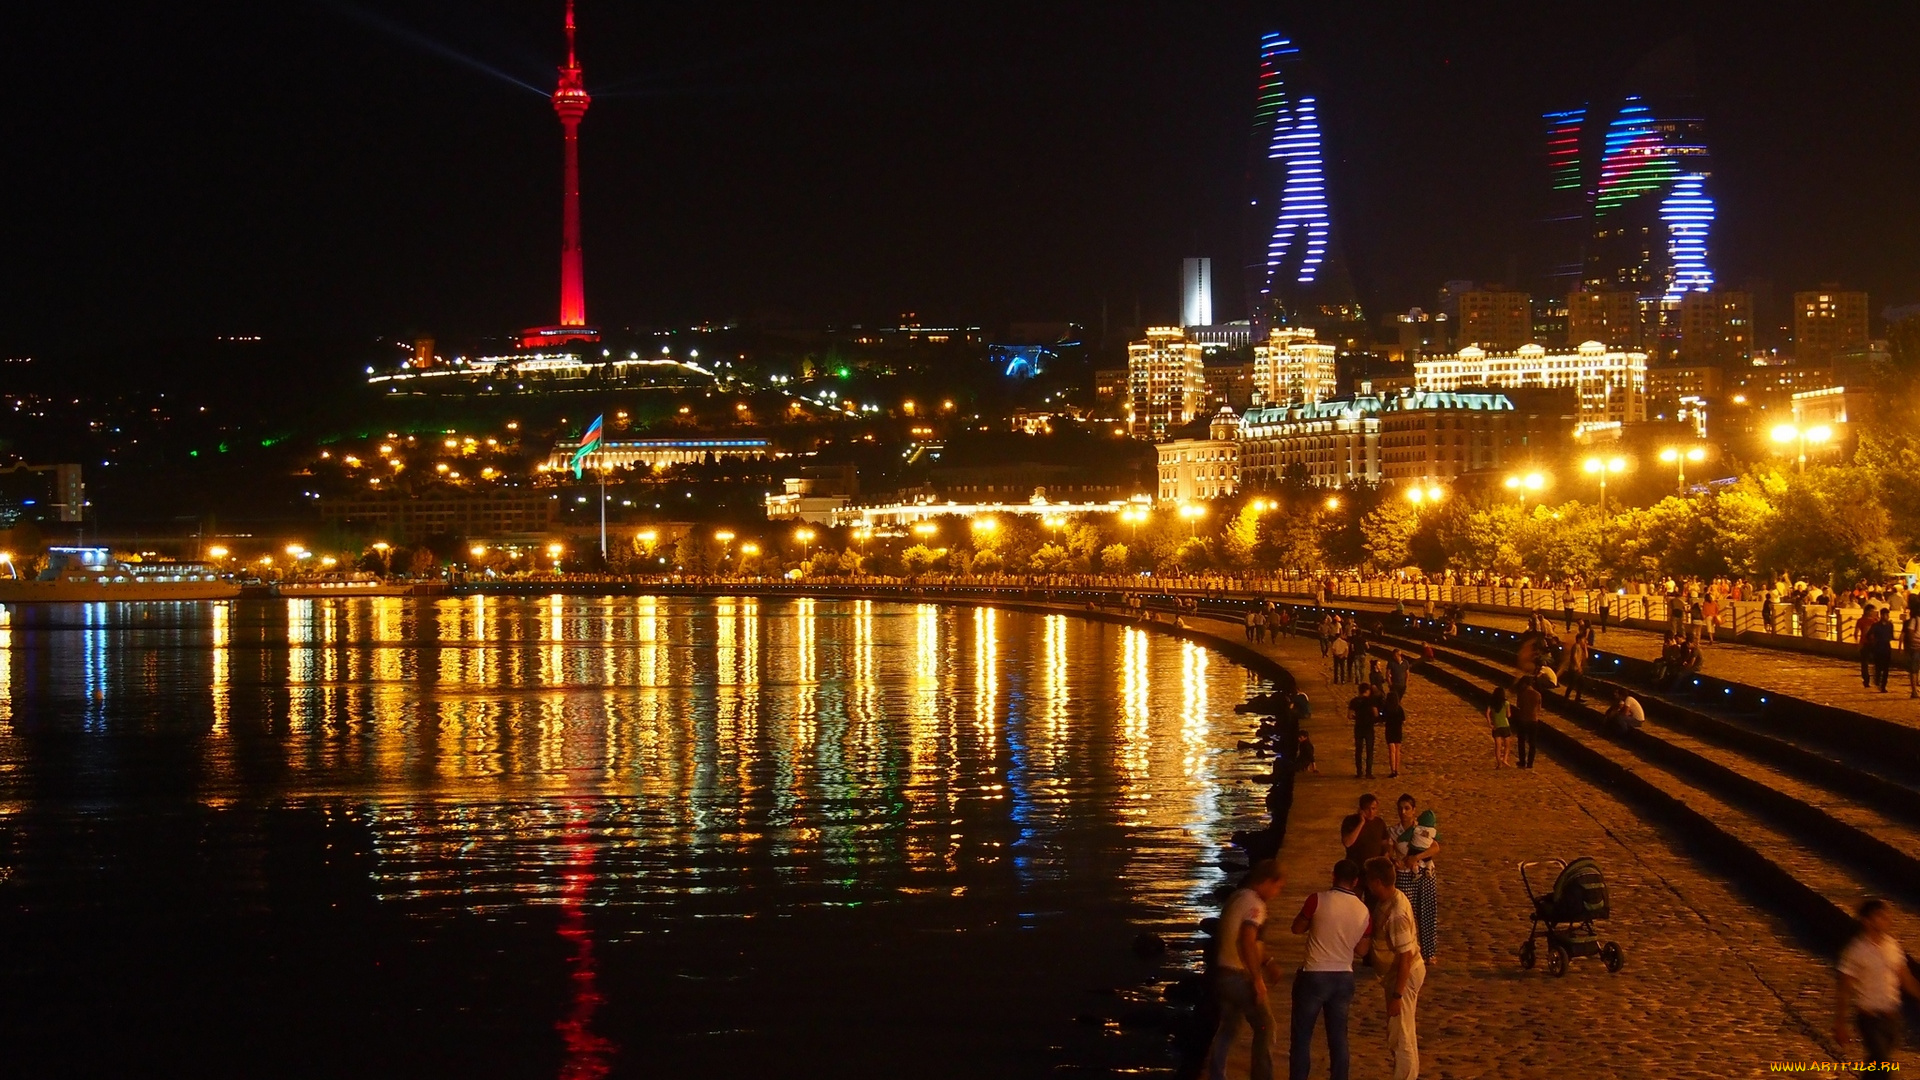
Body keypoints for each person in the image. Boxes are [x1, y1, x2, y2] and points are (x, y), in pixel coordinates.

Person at [1288, 860, 1372, 1080]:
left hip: (1314, 974)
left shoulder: (1317, 900)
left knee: (1302, 1037)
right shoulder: (1363, 911)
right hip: (1343, 976)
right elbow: (1363, 950)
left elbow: (1297, 928)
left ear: (1333, 876)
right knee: (1338, 1038)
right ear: (1355, 882)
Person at [1207, 859, 1287, 1080]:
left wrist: (1269, 961)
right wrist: (1257, 979)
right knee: (1266, 1026)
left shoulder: (1237, 897)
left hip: (1220, 973)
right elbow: (1248, 940)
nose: (1277, 892)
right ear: (1269, 881)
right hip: (1237, 976)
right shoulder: (1256, 906)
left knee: (1229, 1027)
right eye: (1278, 887)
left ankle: (1216, 1074)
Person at [1834, 898, 1920, 1065]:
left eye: (1886, 916)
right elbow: (1844, 989)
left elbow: (1906, 979)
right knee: (1883, 1063)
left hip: (1892, 1019)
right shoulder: (1856, 951)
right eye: (1880, 916)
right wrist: (1840, 1024)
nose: (1886, 920)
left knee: (1876, 1065)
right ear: (1867, 921)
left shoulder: (1892, 946)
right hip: (1869, 1019)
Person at [1362, 856, 1425, 1080]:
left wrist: (1397, 994)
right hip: (1396, 975)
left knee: (1401, 1035)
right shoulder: (1388, 901)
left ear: (1378, 882)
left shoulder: (1396, 912)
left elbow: (1405, 956)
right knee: (1404, 1031)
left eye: (1369, 881)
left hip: (1402, 977)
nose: (1367, 885)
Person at [1388, 794, 1441, 965]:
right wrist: (1394, 861)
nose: (1403, 812)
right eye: (1400, 808)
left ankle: (1429, 951)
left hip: (1425, 872)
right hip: (1404, 875)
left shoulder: (1422, 828)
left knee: (1427, 911)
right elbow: (1389, 851)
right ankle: (1408, 950)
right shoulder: (1394, 832)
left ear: (1414, 810)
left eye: (1407, 808)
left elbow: (1435, 847)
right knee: (1405, 913)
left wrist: (1417, 857)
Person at [1340, 794, 1393, 867]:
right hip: (1355, 866)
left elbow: (1384, 843)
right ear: (1361, 809)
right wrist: (1361, 823)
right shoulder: (1350, 821)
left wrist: (1385, 857)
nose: (1371, 812)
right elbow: (1347, 843)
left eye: (1373, 809)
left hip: (1374, 868)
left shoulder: (1379, 823)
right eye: (1367, 809)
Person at [1511, 671, 1543, 769]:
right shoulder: (1538, 694)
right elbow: (1539, 708)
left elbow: (1519, 705)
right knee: (1532, 743)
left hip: (1523, 719)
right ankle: (1530, 763)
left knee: (1521, 742)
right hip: (1534, 720)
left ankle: (1522, 761)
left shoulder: (1522, 694)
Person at [1348, 685, 1379, 779]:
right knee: (1369, 750)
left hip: (1358, 727)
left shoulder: (1354, 701)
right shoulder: (1371, 701)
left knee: (1358, 750)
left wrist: (1356, 717)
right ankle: (1368, 772)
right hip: (1369, 727)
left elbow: (1349, 715)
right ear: (1367, 690)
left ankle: (1359, 772)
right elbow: (1376, 714)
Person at [1866, 610, 1895, 693]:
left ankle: (1883, 686)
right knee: (1878, 667)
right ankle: (1877, 680)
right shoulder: (1876, 625)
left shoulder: (1890, 625)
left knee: (1886, 668)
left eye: (1887, 615)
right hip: (1878, 647)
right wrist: (1873, 641)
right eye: (1885, 615)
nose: (1887, 616)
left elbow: (1891, 636)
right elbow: (1868, 635)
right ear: (1882, 615)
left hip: (1886, 647)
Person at [1380, 690, 1407, 779]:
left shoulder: (1386, 708)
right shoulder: (1399, 709)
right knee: (1397, 750)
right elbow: (1403, 720)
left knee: (1391, 751)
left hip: (1389, 729)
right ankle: (1397, 769)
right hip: (1398, 730)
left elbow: (1382, 717)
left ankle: (1393, 770)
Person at [1486, 686, 1512, 768]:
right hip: (1505, 725)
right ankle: (1505, 759)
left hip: (1496, 726)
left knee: (1498, 746)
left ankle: (1499, 763)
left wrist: (1490, 723)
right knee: (1507, 744)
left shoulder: (1492, 703)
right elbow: (1508, 715)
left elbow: (1487, 713)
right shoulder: (1506, 703)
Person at [1902, 615, 1919, 699]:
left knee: (1916, 669)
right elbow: (1909, 633)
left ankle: (1915, 688)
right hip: (1915, 648)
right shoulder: (1914, 620)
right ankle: (1914, 690)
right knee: (1913, 669)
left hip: (1916, 648)